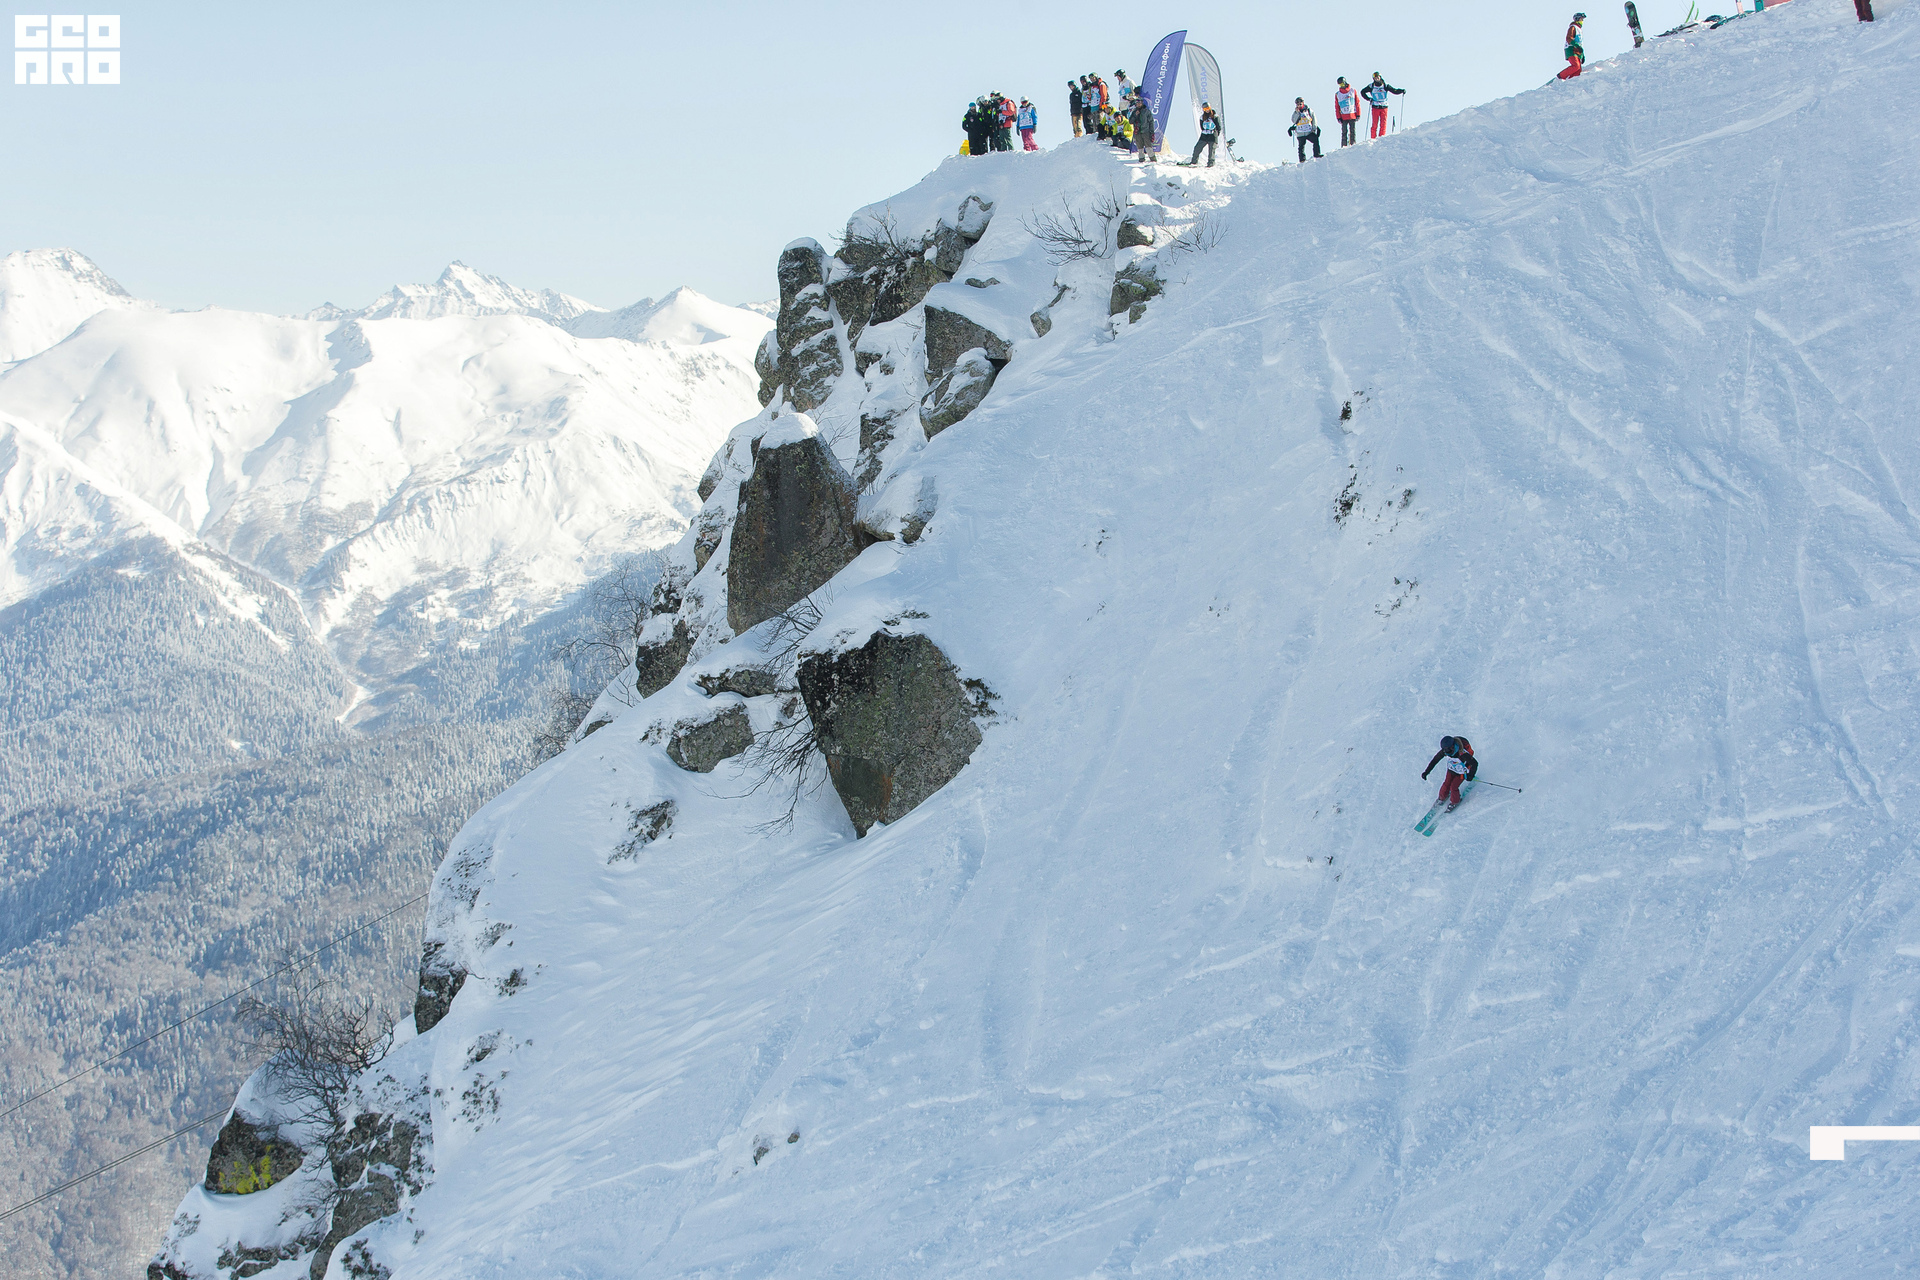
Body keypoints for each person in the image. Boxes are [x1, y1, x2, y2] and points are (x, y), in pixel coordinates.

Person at [1421, 735, 1478, 810]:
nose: (1446, 751)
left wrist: (1470, 775)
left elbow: (1474, 763)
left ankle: (1455, 802)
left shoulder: (1462, 753)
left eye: (1447, 749)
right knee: (1446, 783)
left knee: (1453, 787)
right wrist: (1426, 772)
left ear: (1452, 747)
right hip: (1452, 768)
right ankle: (1442, 798)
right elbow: (1435, 760)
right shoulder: (1445, 751)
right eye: (1444, 750)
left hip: (1462, 771)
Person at [1363, 72, 1404, 139]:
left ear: (1380, 77)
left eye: (1378, 77)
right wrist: (1369, 99)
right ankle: (1373, 138)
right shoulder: (1371, 86)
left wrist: (1401, 91)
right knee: (1374, 124)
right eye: (1375, 78)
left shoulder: (1385, 85)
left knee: (1383, 124)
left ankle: (1381, 138)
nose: (1377, 79)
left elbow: (1394, 90)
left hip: (1384, 107)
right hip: (1375, 107)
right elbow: (1363, 92)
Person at [1558, 12, 1587, 79]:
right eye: (1581, 19)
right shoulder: (1573, 27)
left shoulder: (1580, 30)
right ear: (1577, 19)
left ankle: (1571, 81)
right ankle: (1561, 76)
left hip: (1578, 51)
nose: (1582, 21)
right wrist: (1576, 45)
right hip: (1571, 49)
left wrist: (1582, 55)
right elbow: (1569, 38)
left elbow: (1580, 43)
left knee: (1578, 70)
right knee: (1576, 66)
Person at [1333, 77, 1361, 147]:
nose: (1341, 86)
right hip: (1343, 116)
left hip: (1352, 114)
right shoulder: (1338, 94)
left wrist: (1358, 114)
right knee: (1344, 132)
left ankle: (1353, 144)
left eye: (1342, 84)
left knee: (1352, 131)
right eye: (1340, 85)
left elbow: (1357, 103)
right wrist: (1338, 117)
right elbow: (1337, 107)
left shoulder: (1352, 91)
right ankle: (1344, 145)